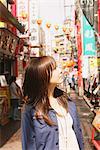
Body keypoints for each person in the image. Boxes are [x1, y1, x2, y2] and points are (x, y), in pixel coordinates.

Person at [21, 56, 84, 150]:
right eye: (54, 69)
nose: (60, 71)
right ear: (42, 75)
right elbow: (29, 145)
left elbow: (78, 135)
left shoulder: (68, 102)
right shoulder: (31, 110)